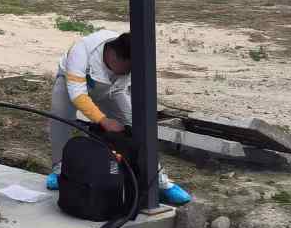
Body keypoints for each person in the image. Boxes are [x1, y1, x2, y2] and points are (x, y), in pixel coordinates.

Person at [47, 29, 191, 205]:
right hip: (70, 84)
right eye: (128, 69)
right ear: (114, 57)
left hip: (113, 90)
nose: (129, 73)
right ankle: (59, 168)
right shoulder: (81, 52)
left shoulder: (127, 54)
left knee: (136, 125)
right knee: (60, 118)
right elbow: (78, 95)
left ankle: (159, 181)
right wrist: (103, 120)